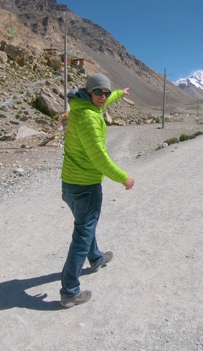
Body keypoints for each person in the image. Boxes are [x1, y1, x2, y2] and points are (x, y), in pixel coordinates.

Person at [59, 73, 135, 308]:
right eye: (98, 92)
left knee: (85, 225)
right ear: (89, 92)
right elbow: (100, 158)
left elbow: (105, 98)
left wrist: (119, 94)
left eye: (105, 92)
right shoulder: (89, 119)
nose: (103, 97)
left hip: (70, 183)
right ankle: (70, 291)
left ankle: (97, 259)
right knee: (82, 234)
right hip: (86, 186)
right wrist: (124, 178)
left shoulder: (81, 105)